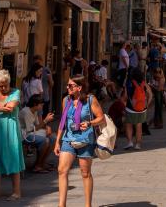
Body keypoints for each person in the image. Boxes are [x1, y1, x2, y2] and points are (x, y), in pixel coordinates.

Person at [54, 75, 105, 207]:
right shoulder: (66, 100)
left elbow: (101, 118)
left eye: (70, 86)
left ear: (79, 88)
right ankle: (61, 205)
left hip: (86, 140)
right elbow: (63, 121)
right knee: (62, 170)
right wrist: (57, 141)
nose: (67, 87)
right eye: (67, 85)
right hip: (68, 139)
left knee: (85, 173)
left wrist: (89, 123)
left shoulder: (90, 100)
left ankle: (88, 205)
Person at [0, 69, 25, 200]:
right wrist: (2, 107)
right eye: (1, 85)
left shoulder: (16, 92)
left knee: (14, 158)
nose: (3, 87)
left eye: (5, 85)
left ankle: (16, 192)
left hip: (11, 130)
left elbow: (11, 107)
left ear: (9, 82)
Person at [20, 95, 55, 172]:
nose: (42, 107)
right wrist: (46, 120)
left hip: (32, 132)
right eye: (41, 105)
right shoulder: (26, 112)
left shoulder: (34, 111)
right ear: (35, 104)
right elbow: (30, 129)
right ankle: (38, 165)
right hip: (24, 135)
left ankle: (42, 162)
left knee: (53, 138)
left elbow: (38, 125)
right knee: (45, 141)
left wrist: (47, 127)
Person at [123, 69, 152, 150]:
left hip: (130, 108)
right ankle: (138, 144)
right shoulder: (144, 83)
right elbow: (150, 94)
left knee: (129, 124)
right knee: (139, 126)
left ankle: (130, 142)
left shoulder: (129, 83)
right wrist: (147, 105)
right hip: (142, 108)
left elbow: (125, 97)